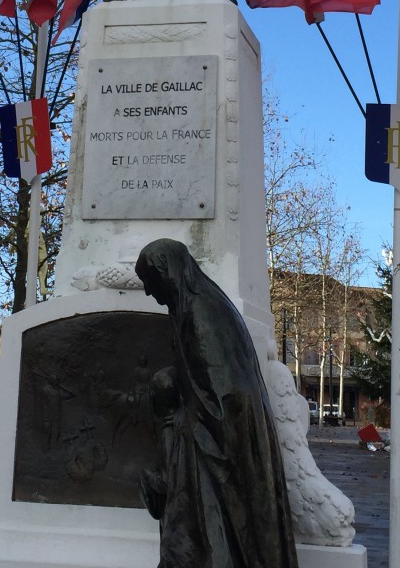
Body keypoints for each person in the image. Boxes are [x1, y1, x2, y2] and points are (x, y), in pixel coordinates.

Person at [135, 239, 299, 568]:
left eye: (150, 282)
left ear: (167, 274)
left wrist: (182, 429)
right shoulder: (194, 307)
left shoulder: (200, 313)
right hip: (209, 433)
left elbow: (226, 395)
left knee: (205, 537)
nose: (149, 293)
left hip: (218, 439)